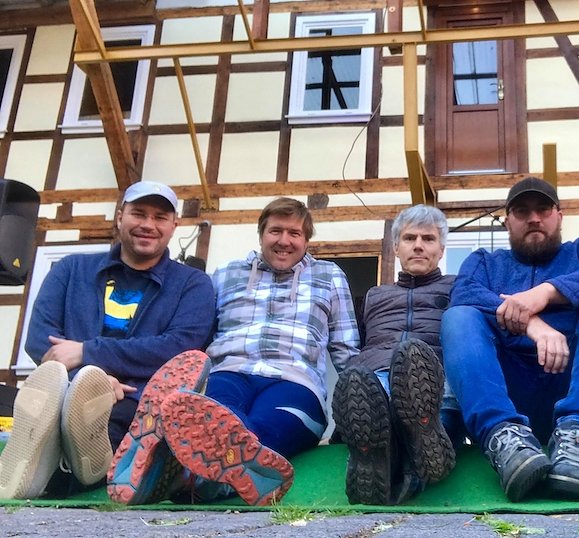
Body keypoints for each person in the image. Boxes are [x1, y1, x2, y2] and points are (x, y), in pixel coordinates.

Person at [110, 197, 360, 506]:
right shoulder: (225, 274)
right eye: (275, 231)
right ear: (261, 234)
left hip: (297, 382)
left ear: (306, 240)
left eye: (294, 233)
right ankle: (212, 473)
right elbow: (200, 332)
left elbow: (345, 348)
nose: (284, 241)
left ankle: (186, 469)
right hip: (228, 372)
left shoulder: (329, 275)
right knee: (218, 413)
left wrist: (355, 407)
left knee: (263, 425)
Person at [0, 181, 216, 500]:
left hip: (138, 398)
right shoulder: (71, 269)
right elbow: (40, 339)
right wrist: (91, 381)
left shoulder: (193, 284)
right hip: (67, 387)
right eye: (138, 213)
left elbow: (180, 348)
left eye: (160, 217)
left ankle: (47, 467)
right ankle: (53, 462)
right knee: (72, 406)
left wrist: (88, 353)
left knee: (113, 420)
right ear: (119, 217)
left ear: (174, 225)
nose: (148, 224)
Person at [440, 177, 579, 502]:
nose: (534, 218)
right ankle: (504, 439)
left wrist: (545, 292)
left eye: (543, 209)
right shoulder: (485, 262)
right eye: (522, 211)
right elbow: (464, 293)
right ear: (507, 221)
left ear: (559, 216)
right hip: (507, 392)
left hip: (574, 383)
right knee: (458, 316)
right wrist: (533, 323)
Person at [332, 204, 461, 505]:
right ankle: (406, 458)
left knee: (422, 381)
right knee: (366, 388)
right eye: (410, 238)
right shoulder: (374, 296)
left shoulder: (457, 288)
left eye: (428, 239)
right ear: (396, 247)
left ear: (441, 249)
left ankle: (384, 458)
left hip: (434, 381)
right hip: (378, 380)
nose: (418, 245)